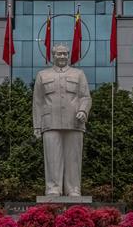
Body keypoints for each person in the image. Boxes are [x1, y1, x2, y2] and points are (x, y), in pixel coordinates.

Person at [32, 44, 92, 197]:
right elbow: (38, 102)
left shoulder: (78, 74)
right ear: (53, 55)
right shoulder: (42, 75)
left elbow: (85, 97)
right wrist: (37, 126)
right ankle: (53, 188)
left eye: (65, 54)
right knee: (52, 158)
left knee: (73, 158)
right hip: (50, 122)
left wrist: (83, 110)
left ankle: (73, 188)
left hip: (74, 122)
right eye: (59, 54)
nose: (63, 56)